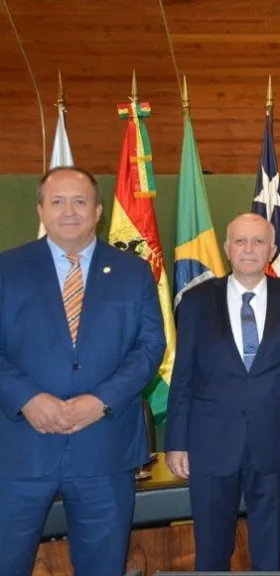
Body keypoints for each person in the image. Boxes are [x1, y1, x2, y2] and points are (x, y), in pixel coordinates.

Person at [0, 167, 166, 576]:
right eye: (57, 201)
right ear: (41, 209)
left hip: (104, 449)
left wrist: (102, 401)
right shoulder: (7, 268)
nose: (69, 211)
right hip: (20, 449)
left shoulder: (133, 271)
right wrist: (27, 399)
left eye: (80, 201)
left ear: (98, 211)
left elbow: (149, 348)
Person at [164, 213, 280, 572]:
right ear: (226, 248)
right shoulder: (195, 300)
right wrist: (176, 442)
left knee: (270, 554)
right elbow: (183, 375)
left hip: (276, 443)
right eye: (240, 241)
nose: (248, 249)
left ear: (272, 249)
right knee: (212, 552)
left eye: (258, 241)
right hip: (210, 445)